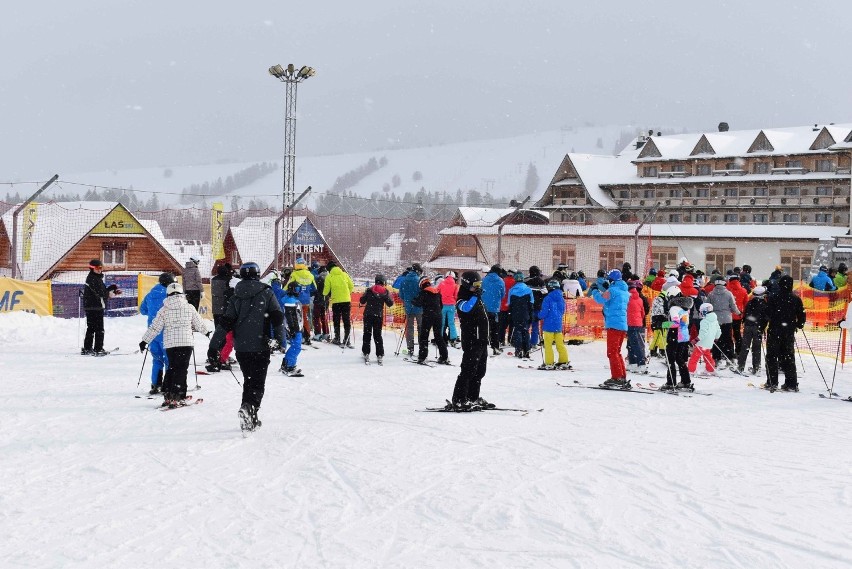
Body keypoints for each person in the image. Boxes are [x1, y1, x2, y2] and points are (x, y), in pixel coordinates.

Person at [208, 262, 286, 433]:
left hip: (242, 348)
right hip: (260, 346)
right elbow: (277, 317)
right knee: (257, 383)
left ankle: (249, 416)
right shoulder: (266, 292)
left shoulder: (236, 296)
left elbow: (225, 324)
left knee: (249, 381)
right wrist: (282, 341)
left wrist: (213, 347)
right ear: (257, 275)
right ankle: (250, 407)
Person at [139, 282, 209, 408]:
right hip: (186, 343)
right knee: (181, 369)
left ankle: (169, 395)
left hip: (170, 344)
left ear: (168, 294)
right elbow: (199, 325)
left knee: (172, 368)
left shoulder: (164, 309)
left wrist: (145, 341)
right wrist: (208, 334)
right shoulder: (189, 307)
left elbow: (155, 327)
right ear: (182, 293)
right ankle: (177, 396)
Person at [448, 271, 493, 411]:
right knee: (468, 371)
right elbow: (466, 309)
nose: (478, 288)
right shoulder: (462, 298)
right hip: (472, 339)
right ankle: (459, 399)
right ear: (467, 285)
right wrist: (474, 297)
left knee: (479, 371)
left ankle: (472, 397)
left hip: (481, 340)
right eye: (475, 286)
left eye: (479, 285)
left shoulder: (475, 296)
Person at [764, 275, 806, 392]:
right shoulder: (796, 299)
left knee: (772, 356)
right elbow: (802, 314)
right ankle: (791, 383)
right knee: (788, 357)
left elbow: (767, 313)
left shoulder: (773, 297)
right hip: (788, 332)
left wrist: (762, 326)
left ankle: (772, 382)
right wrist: (799, 324)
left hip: (774, 330)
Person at [591, 269, 629, 387]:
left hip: (614, 324)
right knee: (617, 352)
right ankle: (621, 376)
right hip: (622, 324)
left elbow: (600, 299)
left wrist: (595, 291)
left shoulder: (613, 290)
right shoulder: (624, 291)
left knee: (612, 352)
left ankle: (616, 378)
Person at [139, 272, 174, 394]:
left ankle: (155, 384)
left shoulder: (150, 294)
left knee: (157, 359)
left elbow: (142, 310)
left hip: (153, 332)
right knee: (169, 360)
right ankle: (168, 385)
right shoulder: (169, 296)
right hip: (166, 332)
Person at [81, 259, 121, 356]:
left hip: (92, 306)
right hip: (95, 307)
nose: (99, 270)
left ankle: (87, 348)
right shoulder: (93, 279)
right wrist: (111, 292)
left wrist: (112, 289)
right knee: (99, 329)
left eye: (101, 268)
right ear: (92, 268)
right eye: (97, 268)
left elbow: (102, 291)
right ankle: (98, 349)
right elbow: (102, 293)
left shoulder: (95, 278)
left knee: (91, 328)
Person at [412, 275, 450, 364]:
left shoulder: (423, 293)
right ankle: (444, 357)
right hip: (438, 316)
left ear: (421, 284)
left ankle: (422, 357)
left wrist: (413, 300)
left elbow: (418, 303)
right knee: (438, 336)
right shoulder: (437, 292)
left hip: (428, 316)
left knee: (424, 337)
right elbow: (441, 305)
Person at [359, 273, 394, 365]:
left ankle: (366, 352)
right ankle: (379, 354)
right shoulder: (385, 291)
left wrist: (365, 295)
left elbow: (362, 301)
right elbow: (390, 303)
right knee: (377, 335)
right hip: (378, 316)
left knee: (367, 334)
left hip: (368, 315)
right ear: (383, 282)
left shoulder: (369, 290)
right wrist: (388, 296)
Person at [207, 264, 235, 372]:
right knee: (226, 335)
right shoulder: (228, 280)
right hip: (225, 310)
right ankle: (222, 354)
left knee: (218, 333)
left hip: (216, 309)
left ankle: (217, 352)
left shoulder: (214, 280)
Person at [664, 290, 694, 390]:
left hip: (675, 336)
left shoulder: (674, 308)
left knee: (670, 360)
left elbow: (675, 323)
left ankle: (670, 382)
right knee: (680, 359)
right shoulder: (685, 307)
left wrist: (662, 324)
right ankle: (686, 381)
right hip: (684, 336)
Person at [538, 278, 570, 370]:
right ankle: (564, 361)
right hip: (558, 325)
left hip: (548, 325)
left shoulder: (547, 298)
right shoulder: (561, 298)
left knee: (548, 345)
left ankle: (549, 363)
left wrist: (538, 316)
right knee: (560, 344)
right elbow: (562, 311)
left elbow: (544, 312)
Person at [708, 276, 740, 366]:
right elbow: (733, 306)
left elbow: (707, 306)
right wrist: (738, 313)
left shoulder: (711, 294)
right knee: (728, 339)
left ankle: (716, 358)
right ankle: (730, 358)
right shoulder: (728, 294)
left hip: (715, 319)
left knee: (716, 339)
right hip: (727, 319)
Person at [274, 279, 303, 376]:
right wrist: (294, 329)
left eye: (300, 289)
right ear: (292, 290)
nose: (299, 292)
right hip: (294, 328)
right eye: (297, 289)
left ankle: (287, 364)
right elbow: (291, 317)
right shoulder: (290, 300)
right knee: (296, 347)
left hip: (294, 327)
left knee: (295, 346)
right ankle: (288, 366)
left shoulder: (289, 299)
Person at [736, 286, 768, 375]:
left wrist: (745, 322)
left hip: (748, 326)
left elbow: (745, 314)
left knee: (745, 347)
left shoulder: (750, 303)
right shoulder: (764, 304)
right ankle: (756, 367)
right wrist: (762, 327)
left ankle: (740, 366)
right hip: (758, 327)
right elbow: (766, 318)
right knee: (756, 348)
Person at [322, 260, 355, 346]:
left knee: (336, 320)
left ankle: (337, 338)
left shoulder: (329, 277)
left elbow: (325, 292)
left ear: (329, 269)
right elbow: (351, 286)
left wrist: (327, 294)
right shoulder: (344, 274)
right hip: (346, 301)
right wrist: (347, 293)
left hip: (336, 301)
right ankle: (347, 339)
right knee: (346, 320)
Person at [688, 303, 721, 376]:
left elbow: (703, 333)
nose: (700, 313)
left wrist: (696, 339)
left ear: (705, 311)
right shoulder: (715, 320)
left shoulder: (704, 321)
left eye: (701, 311)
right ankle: (710, 369)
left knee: (694, 357)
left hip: (702, 343)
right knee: (708, 356)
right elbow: (718, 331)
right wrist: (716, 338)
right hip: (709, 343)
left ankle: (691, 371)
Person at [290, 257, 317, 345]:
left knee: (296, 319)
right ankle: (307, 336)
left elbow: (287, 287)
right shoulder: (310, 275)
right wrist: (308, 293)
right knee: (305, 318)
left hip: (296, 300)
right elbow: (314, 288)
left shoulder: (294, 274)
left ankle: (298, 336)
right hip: (306, 301)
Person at [398, 264, 423, 355]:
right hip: (419, 308)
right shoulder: (418, 280)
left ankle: (410, 348)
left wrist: (407, 300)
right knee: (421, 327)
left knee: (409, 328)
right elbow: (422, 294)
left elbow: (401, 295)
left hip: (408, 308)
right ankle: (422, 347)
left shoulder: (404, 280)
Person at [508, 271, 534, 359]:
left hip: (515, 313)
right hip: (525, 313)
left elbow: (509, 303)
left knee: (517, 331)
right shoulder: (528, 290)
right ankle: (526, 350)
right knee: (525, 331)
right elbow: (531, 303)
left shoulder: (512, 290)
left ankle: (518, 350)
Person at [481, 264, 506, 355]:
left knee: (484, 327)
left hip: (483, 308)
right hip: (495, 308)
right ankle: (495, 347)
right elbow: (503, 295)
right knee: (494, 329)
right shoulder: (501, 281)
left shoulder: (483, 280)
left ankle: (482, 346)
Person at [626, 280, 647, 373]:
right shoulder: (640, 299)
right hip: (638, 323)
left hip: (630, 323)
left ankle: (641, 364)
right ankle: (633, 363)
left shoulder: (626, 298)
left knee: (634, 345)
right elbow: (643, 313)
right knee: (632, 344)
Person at [727, 274, 748, 353]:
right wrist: (744, 314)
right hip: (738, 315)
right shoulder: (743, 290)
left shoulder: (727, 290)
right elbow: (746, 304)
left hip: (727, 315)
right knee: (737, 333)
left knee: (728, 334)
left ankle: (730, 351)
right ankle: (739, 350)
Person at [525, 266, 546, 347]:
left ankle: (525, 342)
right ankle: (533, 342)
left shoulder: (526, 281)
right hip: (537, 307)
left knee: (526, 326)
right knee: (535, 325)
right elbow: (545, 293)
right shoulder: (541, 281)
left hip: (527, 306)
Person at [437, 270, 459, 348]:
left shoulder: (441, 284)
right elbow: (456, 296)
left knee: (441, 323)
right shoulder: (455, 285)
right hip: (451, 305)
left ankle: (440, 338)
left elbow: (437, 292)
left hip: (442, 306)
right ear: (453, 277)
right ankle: (453, 339)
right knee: (451, 323)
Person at [312, 265, 330, 341]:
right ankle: (326, 333)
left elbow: (315, 290)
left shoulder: (318, 279)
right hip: (326, 300)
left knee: (316, 317)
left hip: (318, 300)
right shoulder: (329, 278)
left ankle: (318, 333)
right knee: (323, 317)